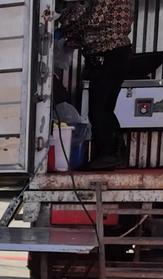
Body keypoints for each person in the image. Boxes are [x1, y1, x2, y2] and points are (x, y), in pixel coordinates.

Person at [61, 0, 134, 170]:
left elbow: (92, 21)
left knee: (98, 107)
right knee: (105, 107)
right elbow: (93, 30)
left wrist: (65, 29)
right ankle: (115, 153)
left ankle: (108, 154)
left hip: (109, 56)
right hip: (114, 56)